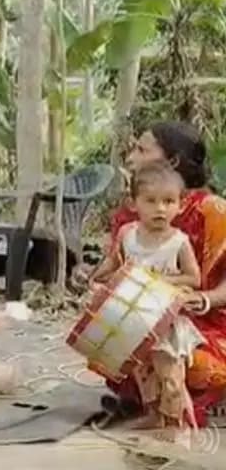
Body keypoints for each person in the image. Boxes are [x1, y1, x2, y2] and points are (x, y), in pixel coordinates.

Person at [101, 121, 226, 428]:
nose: (131, 157)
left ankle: (183, 413)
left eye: (141, 149)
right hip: (145, 317)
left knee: (183, 361)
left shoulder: (214, 211)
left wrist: (205, 299)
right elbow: (114, 266)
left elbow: (203, 283)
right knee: (108, 347)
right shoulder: (133, 214)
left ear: (171, 161)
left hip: (204, 324)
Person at [90, 162, 203, 440]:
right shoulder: (127, 235)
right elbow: (113, 264)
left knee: (170, 375)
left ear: (181, 204)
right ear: (133, 203)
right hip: (135, 320)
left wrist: (155, 279)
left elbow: (194, 279)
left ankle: (178, 426)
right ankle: (154, 415)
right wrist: (97, 279)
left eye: (168, 201)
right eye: (151, 201)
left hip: (165, 321)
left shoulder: (178, 241)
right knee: (143, 373)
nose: (160, 209)